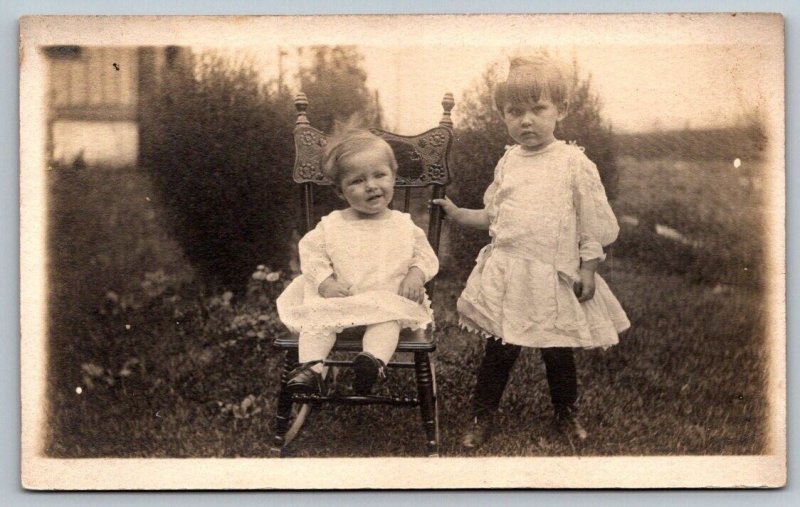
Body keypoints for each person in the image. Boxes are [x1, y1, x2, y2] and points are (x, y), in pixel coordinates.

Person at [433, 53, 630, 448]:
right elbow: (494, 216)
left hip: (555, 272)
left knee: (558, 350)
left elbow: (590, 222)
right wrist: (455, 214)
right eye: (514, 111)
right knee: (500, 349)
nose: (526, 120)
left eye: (538, 109)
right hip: (512, 274)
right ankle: (482, 415)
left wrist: (588, 268)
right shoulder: (509, 162)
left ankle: (566, 415)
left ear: (561, 110)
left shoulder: (573, 162)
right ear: (503, 116)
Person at [277, 126, 439, 396]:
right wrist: (325, 282)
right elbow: (311, 252)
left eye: (379, 175)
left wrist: (415, 275)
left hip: (385, 301)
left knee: (386, 322)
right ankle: (312, 370)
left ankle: (371, 364)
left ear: (393, 176)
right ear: (340, 191)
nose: (371, 186)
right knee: (318, 322)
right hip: (341, 302)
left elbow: (424, 255)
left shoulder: (403, 225)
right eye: (357, 181)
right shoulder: (331, 225)